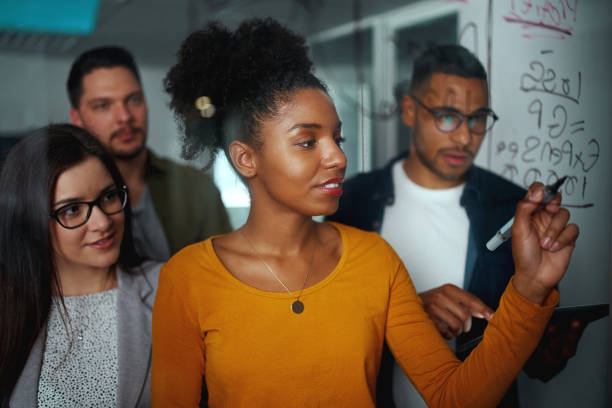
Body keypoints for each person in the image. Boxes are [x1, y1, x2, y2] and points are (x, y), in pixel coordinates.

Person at [151, 19, 579, 407]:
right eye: (307, 141)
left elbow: (456, 398)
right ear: (246, 159)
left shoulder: (375, 260)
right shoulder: (187, 279)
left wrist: (529, 287)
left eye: (337, 138)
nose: (337, 157)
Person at [328, 44, 583, 407]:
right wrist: (408, 315)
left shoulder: (514, 210)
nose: (465, 137)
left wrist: (551, 350)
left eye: (478, 118)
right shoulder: (353, 201)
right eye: (447, 116)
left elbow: (534, 366)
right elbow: (328, 327)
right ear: (410, 110)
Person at [0, 124, 161, 407]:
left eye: (109, 196)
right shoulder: (9, 310)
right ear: (30, 221)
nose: (103, 222)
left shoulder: (168, 287)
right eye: (71, 209)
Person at [67, 46, 231, 261]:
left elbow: (224, 275)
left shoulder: (194, 187)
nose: (124, 116)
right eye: (103, 105)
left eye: (133, 99)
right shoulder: (65, 199)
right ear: (77, 118)